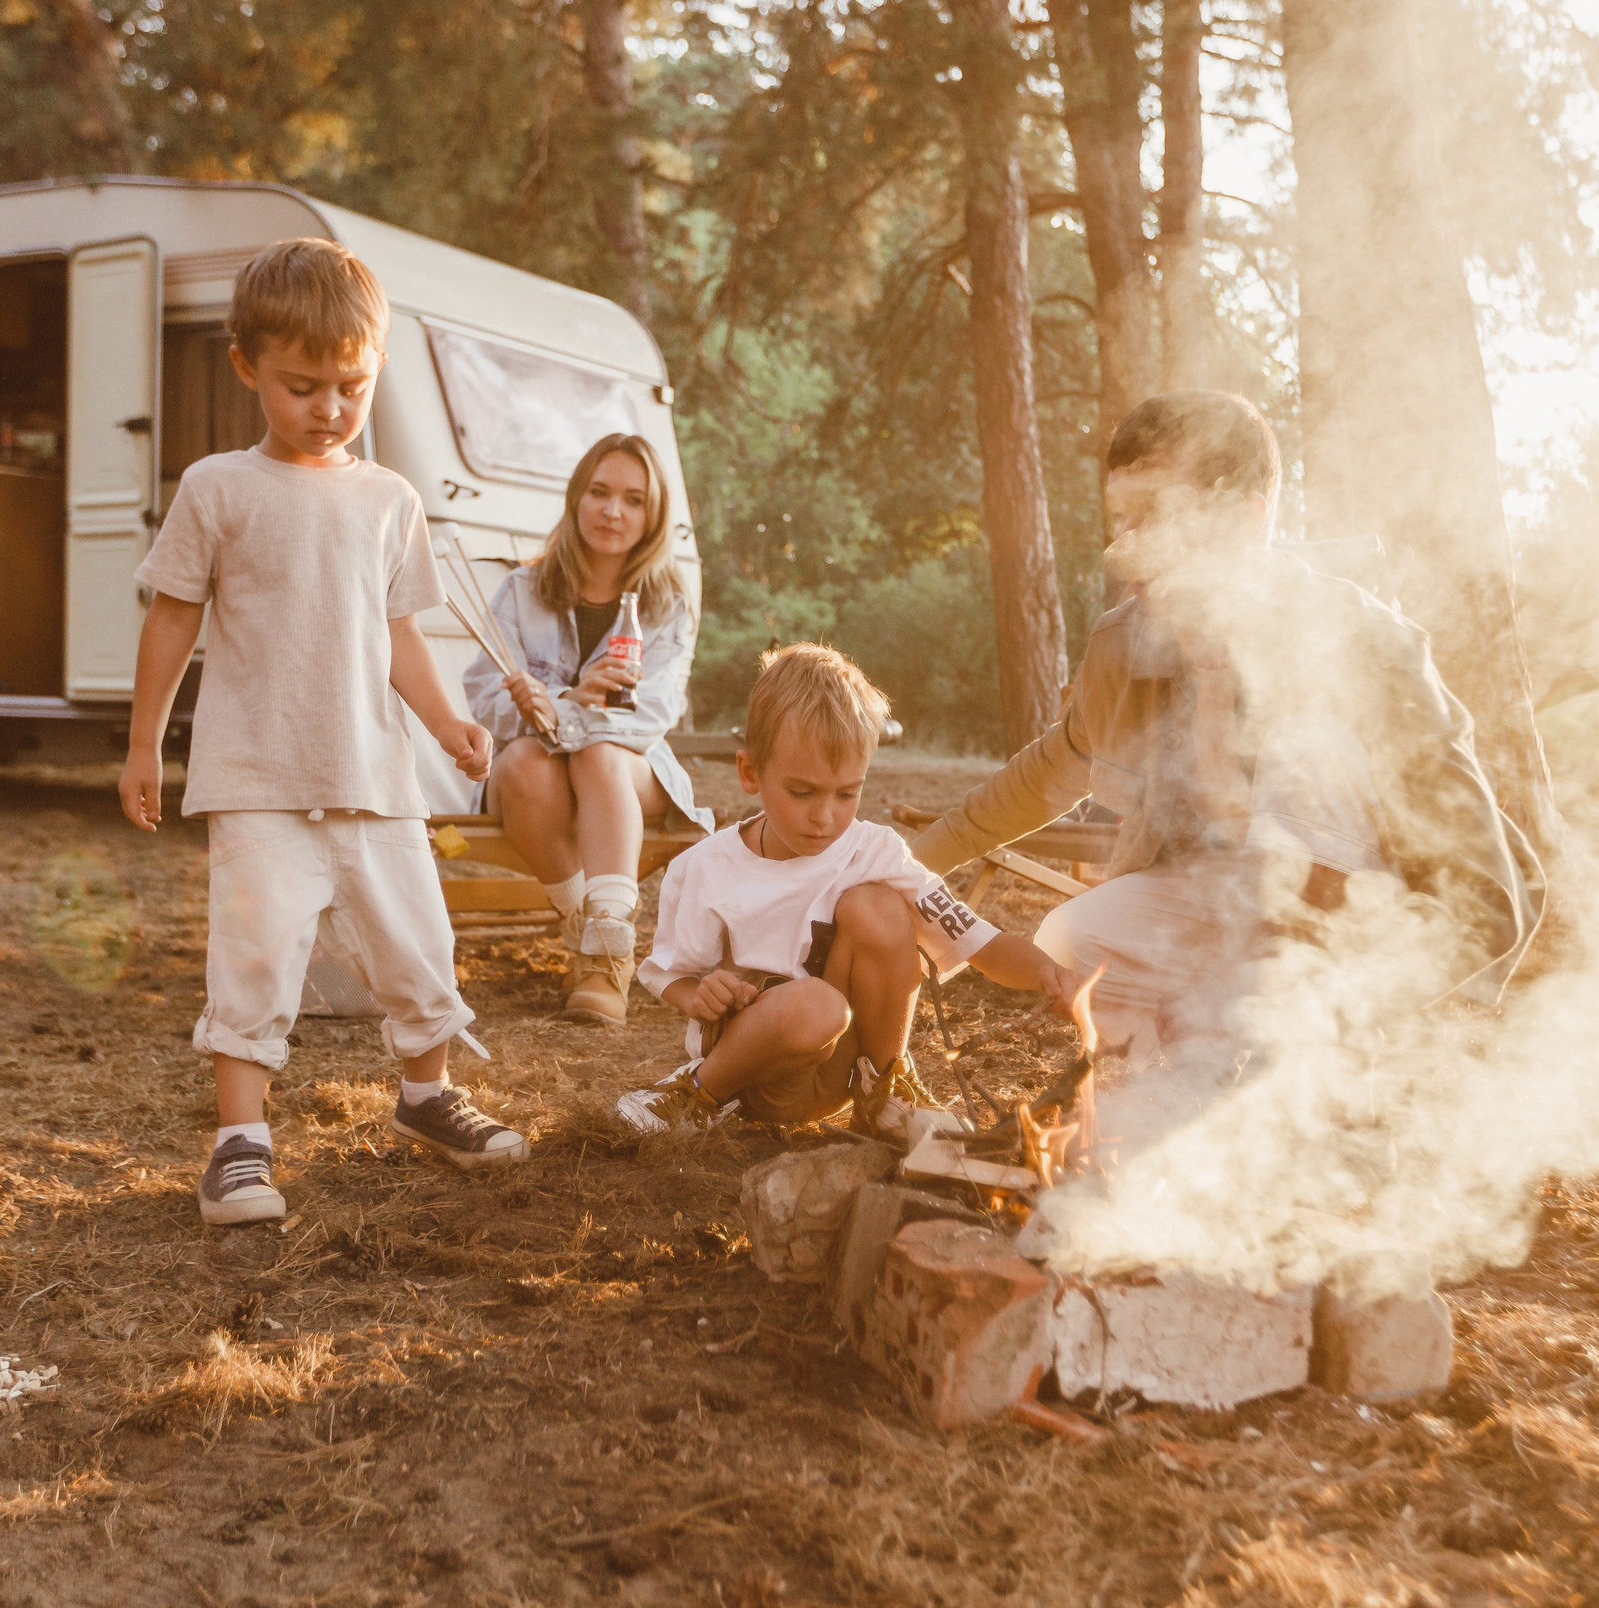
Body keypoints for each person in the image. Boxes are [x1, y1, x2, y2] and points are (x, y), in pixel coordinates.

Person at [908, 390, 1542, 1062]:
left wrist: (1366, 995)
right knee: (1072, 934)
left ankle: (1313, 1061)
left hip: (1342, 939)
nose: (1124, 548)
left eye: (1153, 517)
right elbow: (1049, 772)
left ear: (1245, 517)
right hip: (1205, 914)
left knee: (1309, 747)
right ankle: (1190, 1080)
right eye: (1121, 519)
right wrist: (903, 866)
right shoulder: (1126, 643)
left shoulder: (1363, 644)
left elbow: (1488, 893)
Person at [119, 237, 530, 1229]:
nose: (330, 407)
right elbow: (171, 615)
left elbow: (399, 636)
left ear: (375, 368)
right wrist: (143, 743)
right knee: (254, 958)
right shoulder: (218, 488)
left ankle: (429, 1098)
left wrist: (447, 726)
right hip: (256, 776)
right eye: (303, 386)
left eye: (351, 385)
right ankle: (239, 1145)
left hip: (376, 778)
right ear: (247, 368)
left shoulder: (389, 500)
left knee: (418, 948)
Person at [611, 643, 1090, 1141]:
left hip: (835, 1073)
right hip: (750, 1075)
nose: (825, 817)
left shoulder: (875, 852)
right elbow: (667, 974)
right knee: (817, 1005)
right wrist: (700, 997)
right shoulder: (707, 867)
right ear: (750, 772)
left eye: (847, 793)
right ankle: (693, 1095)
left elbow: (979, 940)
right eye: (803, 793)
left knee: (878, 906)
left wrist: (1048, 974)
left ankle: (885, 1090)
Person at [463, 433, 711, 1026]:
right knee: (522, 762)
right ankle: (593, 934)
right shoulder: (522, 590)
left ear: (651, 516)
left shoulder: (666, 602)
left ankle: (602, 964)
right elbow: (484, 701)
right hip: (535, 782)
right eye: (599, 493)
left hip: (629, 771)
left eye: (632, 499)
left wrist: (559, 711)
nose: (612, 511)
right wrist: (570, 698)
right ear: (576, 499)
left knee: (599, 753)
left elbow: (651, 714)